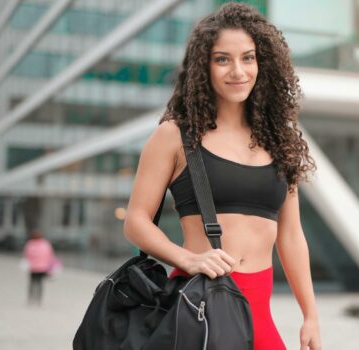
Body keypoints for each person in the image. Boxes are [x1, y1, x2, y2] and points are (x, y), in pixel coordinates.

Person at [123, 3, 321, 350]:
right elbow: (136, 221)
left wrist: (311, 315)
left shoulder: (280, 140)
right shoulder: (175, 136)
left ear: (263, 64)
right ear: (204, 66)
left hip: (260, 308)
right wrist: (188, 259)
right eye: (222, 59)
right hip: (200, 305)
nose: (237, 71)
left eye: (248, 57)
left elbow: (291, 235)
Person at [23, 229, 56, 306]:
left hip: (33, 267)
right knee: (40, 283)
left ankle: (31, 297)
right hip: (42, 267)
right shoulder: (46, 244)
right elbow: (50, 255)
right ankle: (39, 298)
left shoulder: (30, 244)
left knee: (32, 282)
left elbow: (26, 255)